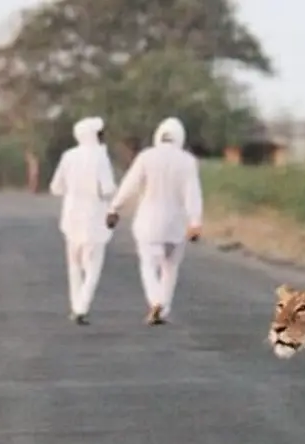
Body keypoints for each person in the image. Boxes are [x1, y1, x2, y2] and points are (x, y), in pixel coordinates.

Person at [106, 117, 204, 326]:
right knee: (170, 268)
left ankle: (155, 301)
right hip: (176, 225)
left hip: (148, 223)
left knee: (148, 265)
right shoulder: (188, 161)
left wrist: (114, 207)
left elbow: (129, 185)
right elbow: (192, 193)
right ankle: (164, 307)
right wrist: (195, 222)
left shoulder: (146, 157)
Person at [48, 115, 117, 326]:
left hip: (71, 218)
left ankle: (75, 305)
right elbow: (107, 189)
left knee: (74, 265)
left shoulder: (69, 156)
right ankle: (82, 307)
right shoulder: (100, 157)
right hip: (94, 218)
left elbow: (55, 187)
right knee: (93, 267)